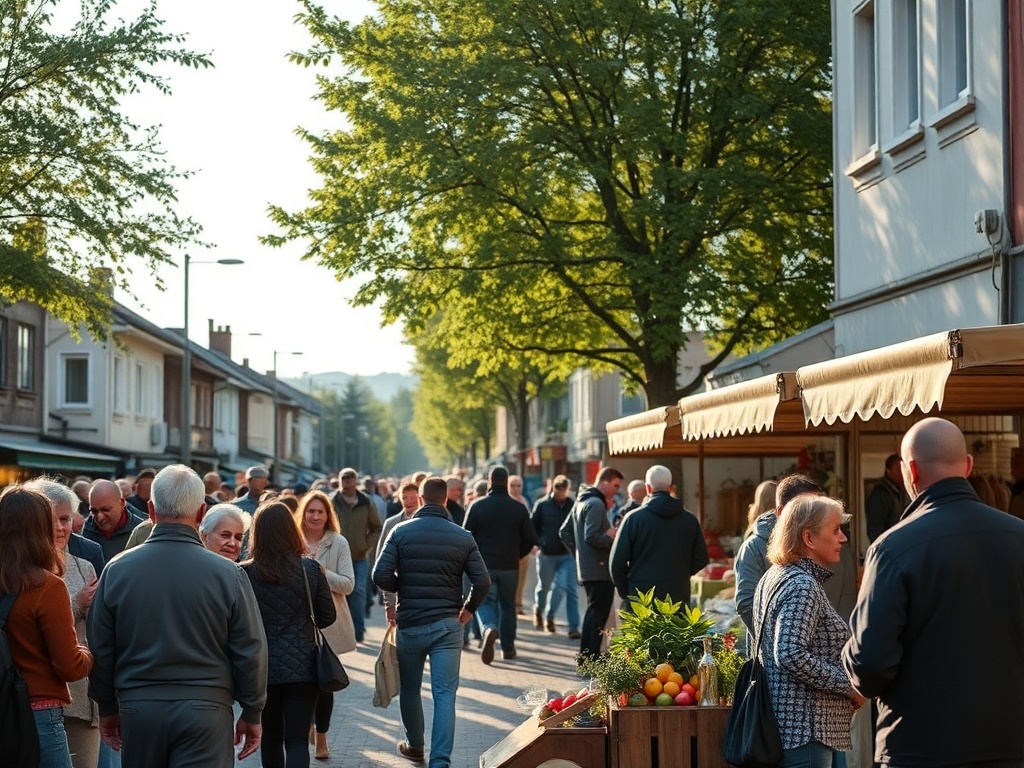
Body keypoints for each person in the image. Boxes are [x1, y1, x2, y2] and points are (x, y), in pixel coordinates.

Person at [843, 418, 1024, 768]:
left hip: (919, 745)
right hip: (1009, 741)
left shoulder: (893, 548)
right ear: (968, 465)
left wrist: (848, 649)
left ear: (910, 471)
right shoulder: (1018, 536)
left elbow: (870, 666)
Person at [86, 465, 268, 768]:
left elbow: (101, 645)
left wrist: (106, 705)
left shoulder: (117, 570)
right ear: (201, 512)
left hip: (140, 707)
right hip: (206, 709)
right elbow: (250, 649)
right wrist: (252, 710)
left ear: (151, 510)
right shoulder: (228, 575)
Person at [372, 476, 490, 767]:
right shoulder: (463, 536)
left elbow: (379, 575)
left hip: (410, 624)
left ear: (421, 499)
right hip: (448, 625)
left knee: (411, 688)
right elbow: (482, 581)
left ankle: (415, 746)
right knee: (445, 694)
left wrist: (402, 587)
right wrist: (468, 610)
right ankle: (440, 761)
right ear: (446, 500)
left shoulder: (400, 531)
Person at [754, 495, 863, 768]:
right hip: (804, 731)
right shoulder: (802, 584)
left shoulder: (775, 576)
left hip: (788, 727)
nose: (843, 539)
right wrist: (848, 686)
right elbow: (789, 653)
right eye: (835, 530)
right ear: (809, 538)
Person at [0, 485, 94, 768]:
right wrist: (88, 653)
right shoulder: (47, 586)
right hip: (38, 712)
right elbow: (69, 666)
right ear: (39, 529)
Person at [242, 503, 336, 768]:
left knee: (271, 738)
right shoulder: (310, 569)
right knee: (296, 740)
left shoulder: (245, 573)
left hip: (262, 669)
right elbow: (327, 617)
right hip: (303, 668)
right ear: (292, 530)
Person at [25, 478, 102, 768]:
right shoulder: (19, 571)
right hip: (36, 697)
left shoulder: (85, 566)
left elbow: (98, 630)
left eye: (65, 519)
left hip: (81, 696)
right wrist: (76, 604)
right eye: (52, 519)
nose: (60, 528)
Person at [296, 491, 356, 761]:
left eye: (320, 511)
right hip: (296, 620)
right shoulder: (293, 539)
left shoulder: (338, 542)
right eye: (311, 511)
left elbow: (348, 585)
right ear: (303, 513)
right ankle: (307, 726)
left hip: (327, 621)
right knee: (302, 682)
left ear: (328, 515)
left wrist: (322, 572)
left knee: (323, 681)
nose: (315, 516)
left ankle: (321, 735)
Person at [463, 466, 538, 663]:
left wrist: (471, 560)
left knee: (484, 602)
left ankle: (489, 627)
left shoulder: (477, 506)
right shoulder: (518, 508)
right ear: (506, 482)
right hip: (510, 565)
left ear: (489, 481)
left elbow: (465, 536)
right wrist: (518, 554)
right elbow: (531, 538)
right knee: (508, 606)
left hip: (484, 565)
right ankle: (508, 648)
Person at [610, 465, 709, 607]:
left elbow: (616, 563)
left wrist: (626, 592)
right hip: (677, 596)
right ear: (671, 488)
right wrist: (680, 574)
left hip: (641, 597)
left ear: (648, 488)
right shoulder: (690, 520)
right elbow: (701, 558)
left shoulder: (633, 519)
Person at [558, 466, 623, 661]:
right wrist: (610, 536)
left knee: (594, 612)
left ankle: (587, 658)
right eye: (615, 485)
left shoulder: (582, 500)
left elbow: (564, 532)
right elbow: (592, 537)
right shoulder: (595, 503)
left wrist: (580, 555)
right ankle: (590, 659)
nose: (617, 490)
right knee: (597, 614)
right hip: (599, 568)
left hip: (590, 567)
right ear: (605, 481)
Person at [329, 467, 383, 643]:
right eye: (344, 479)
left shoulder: (365, 501)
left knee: (358, 592)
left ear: (355, 481)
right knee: (338, 593)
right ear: (340, 481)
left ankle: (358, 629)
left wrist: (366, 545)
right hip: (336, 556)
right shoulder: (332, 501)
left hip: (359, 557)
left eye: (351, 479)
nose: (348, 483)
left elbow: (377, 527)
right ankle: (340, 630)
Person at [530, 475, 580, 638]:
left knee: (568, 589)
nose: (561, 493)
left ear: (568, 489)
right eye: (559, 489)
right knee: (544, 587)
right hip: (546, 554)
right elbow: (532, 526)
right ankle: (539, 609)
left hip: (567, 554)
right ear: (553, 488)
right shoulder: (542, 505)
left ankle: (572, 627)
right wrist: (537, 543)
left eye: (564, 490)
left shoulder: (573, 505)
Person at [82, 480, 146, 568]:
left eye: (106, 510)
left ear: (122, 503)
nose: (100, 517)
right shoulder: (83, 532)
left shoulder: (143, 532)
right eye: (94, 511)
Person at [864, 454, 909, 543]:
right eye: (898, 469)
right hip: (888, 545)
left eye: (903, 469)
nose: (902, 473)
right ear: (888, 471)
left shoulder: (902, 492)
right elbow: (875, 529)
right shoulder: (880, 494)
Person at [507, 474, 532, 615]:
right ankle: (510, 604)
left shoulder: (524, 501)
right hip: (509, 549)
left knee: (522, 578)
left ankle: (518, 602)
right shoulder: (506, 502)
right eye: (513, 485)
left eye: (519, 485)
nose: (516, 488)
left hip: (523, 549)